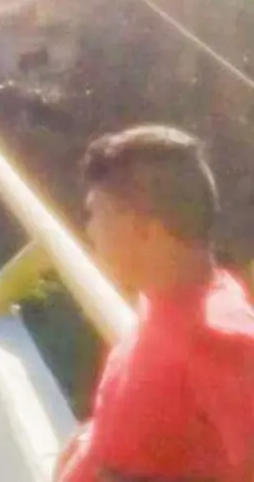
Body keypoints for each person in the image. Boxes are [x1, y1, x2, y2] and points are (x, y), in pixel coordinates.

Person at [56, 126, 254, 482]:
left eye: (95, 214)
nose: (90, 230)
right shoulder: (166, 297)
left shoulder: (223, 338)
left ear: (145, 230)